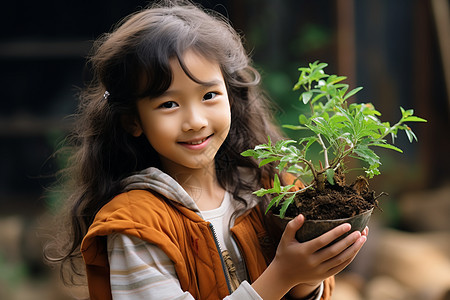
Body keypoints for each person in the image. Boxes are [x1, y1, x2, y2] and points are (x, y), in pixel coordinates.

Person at [47, 1, 368, 299]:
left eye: (209, 95)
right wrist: (282, 275)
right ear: (134, 121)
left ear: (231, 95)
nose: (195, 121)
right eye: (169, 104)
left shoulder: (269, 188)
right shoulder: (136, 226)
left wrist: (308, 275)